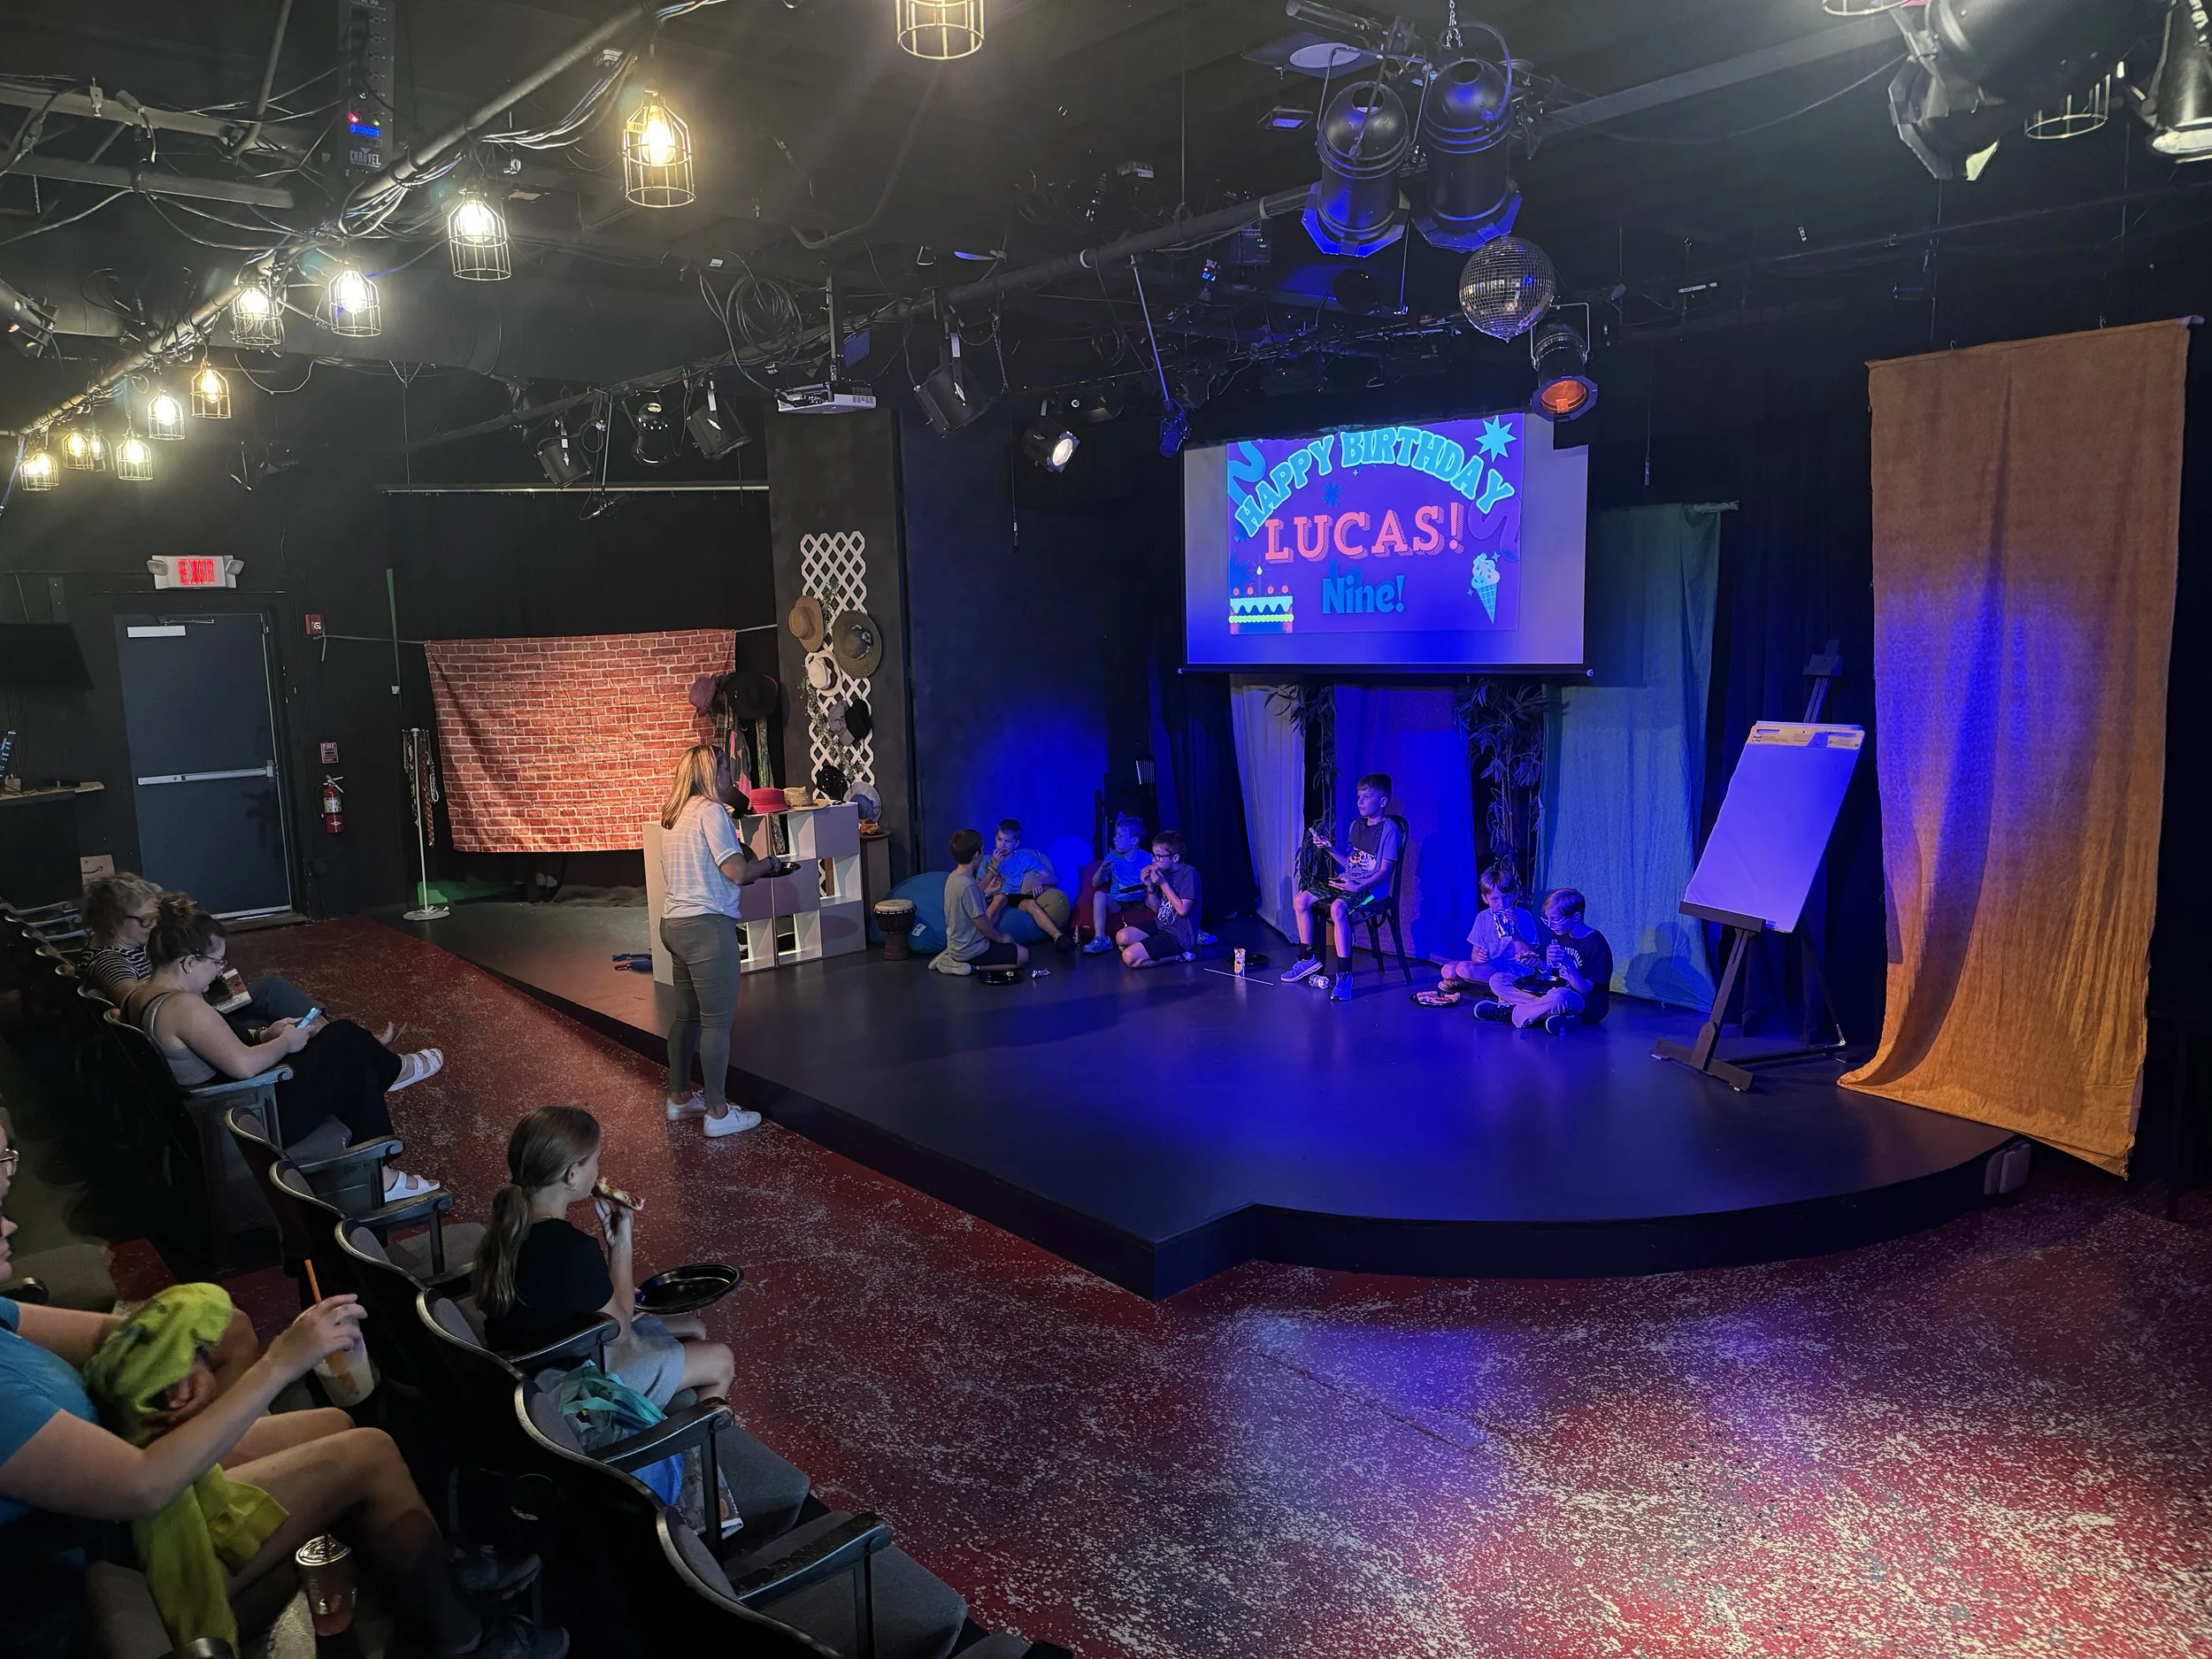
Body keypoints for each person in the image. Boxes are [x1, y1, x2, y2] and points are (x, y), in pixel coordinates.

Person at [0, 1119, 563, 1659]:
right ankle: (465, 1637)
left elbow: (113, 1333)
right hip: (131, 1553)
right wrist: (280, 1364)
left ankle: (421, 1578)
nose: (10, 1226)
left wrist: (178, 1357)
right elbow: (139, 1489)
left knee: (339, 1425)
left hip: (126, 1472)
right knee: (367, 1453)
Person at [118, 896, 438, 1201]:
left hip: (225, 1112)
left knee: (352, 1061)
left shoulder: (140, 997)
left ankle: (380, 1172)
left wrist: (264, 1034)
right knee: (344, 1039)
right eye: (217, 962)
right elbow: (243, 1066)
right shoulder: (184, 1007)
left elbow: (214, 1044)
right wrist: (285, 1042)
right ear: (189, 962)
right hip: (247, 1122)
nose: (220, 971)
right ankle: (392, 1083)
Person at [473, 1106, 733, 1409]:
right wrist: (622, 1244)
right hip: (564, 1383)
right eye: (595, 1161)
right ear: (572, 1174)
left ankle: (662, 1415)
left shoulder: (507, 1226)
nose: (598, 1170)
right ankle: (686, 1443)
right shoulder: (571, 1248)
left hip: (532, 1358)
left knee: (694, 1328)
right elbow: (618, 1331)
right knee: (721, 1360)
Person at [657, 744, 780, 1139]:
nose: (731, 780)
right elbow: (737, 872)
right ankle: (718, 1111)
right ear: (711, 773)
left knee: (686, 1017)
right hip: (706, 929)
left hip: (675, 924)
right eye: (726, 772)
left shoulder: (674, 814)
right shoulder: (711, 812)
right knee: (716, 1024)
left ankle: (680, 1098)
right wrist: (770, 864)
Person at [80, 874, 365, 1037]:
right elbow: (135, 999)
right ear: (115, 919)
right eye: (145, 920)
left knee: (268, 989)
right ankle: (337, 1037)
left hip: (186, 1005)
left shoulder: (127, 945)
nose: (153, 924)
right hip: (183, 1017)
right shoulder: (109, 960)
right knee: (272, 994)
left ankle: (334, 1033)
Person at [1280, 773, 1402, 1002]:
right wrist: (1329, 848)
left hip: (1371, 888)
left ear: (1383, 802)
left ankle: (1344, 974)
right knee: (1301, 900)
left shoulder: (1389, 830)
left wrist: (1358, 886)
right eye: (1359, 797)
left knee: (1337, 908)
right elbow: (1350, 863)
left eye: (1367, 797)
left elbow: (1384, 871)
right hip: (1349, 880)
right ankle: (1307, 959)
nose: (1361, 802)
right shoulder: (1356, 825)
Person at [1476, 887, 1615, 1033]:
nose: (1550, 924)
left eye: (1555, 919)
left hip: (1583, 1002)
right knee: (1498, 979)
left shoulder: (1596, 943)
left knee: (1559, 997)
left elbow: (1585, 990)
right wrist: (1539, 964)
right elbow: (1554, 976)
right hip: (1553, 993)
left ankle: (1513, 1013)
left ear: (1576, 917)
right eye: (1547, 919)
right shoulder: (1560, 934)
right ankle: (1550, 1013)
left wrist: (1567, 962)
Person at [1417, 867, 1541, 1007]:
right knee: (1448, 970)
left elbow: (1530, 955)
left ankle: (1494, 988)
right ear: (1485, 899)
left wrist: (1515, 932)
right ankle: (1486, 987)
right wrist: (1479, 957)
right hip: (1491, 967)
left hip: (1517, 970)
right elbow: (1475, 954)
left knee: (1463, 969)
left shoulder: (1524, 917)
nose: (1502, 904)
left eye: (1506, 898)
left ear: (1514, 895)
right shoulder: (1483, 917)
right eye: (1495, 899)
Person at [980, 819, 1072, 952]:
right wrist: (994, 867)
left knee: (1031, 903)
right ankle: (980, 936)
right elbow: (978, 888)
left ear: (1016, 843)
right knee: (1000, 898)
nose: (1002, 845)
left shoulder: (1024, 859)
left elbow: (1053, 877)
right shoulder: (987, 860)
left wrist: (1040, 881)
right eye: (999, 840)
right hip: (993, 895)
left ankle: (1058, 937)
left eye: (1007, 841)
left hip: (1014, 896)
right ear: (995, 838)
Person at [942, 829, 1027, 972]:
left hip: (959, 945)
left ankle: (955, 958)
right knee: (1024, 955)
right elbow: (982, 924)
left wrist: (991, 880)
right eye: (982, 850)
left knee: (1009, 939)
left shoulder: (955, 877)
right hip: (972, 950)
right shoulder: (967, 885)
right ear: (977, 855)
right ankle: (970, 967)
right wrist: (999, 938)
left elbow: (973, 891)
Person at [1114, 830, 1202, 968]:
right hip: (1161, 924)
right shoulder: (1165, 873)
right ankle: (1152, 946)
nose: (1154, 860)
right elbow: (1158, 910)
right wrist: (1150, 887)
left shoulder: (1188, 873)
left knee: (1129, 957)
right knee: (1121, 937)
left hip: (1180, 934)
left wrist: (1163, 884)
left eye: (1159, 856)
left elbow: (1183, 910)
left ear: (1175, 858)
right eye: (1154, 855)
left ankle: (1181, 955)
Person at [1083, 815, 1152, 955]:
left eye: (1120, 836)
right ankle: (1100, 938)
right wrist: (1102, 870)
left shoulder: (1147, 858)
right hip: (1118, 903)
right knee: (1099, 896)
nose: (1115, 838)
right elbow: (1095, 883)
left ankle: (1181, 929)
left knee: (1160, 895)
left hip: (1141, 900)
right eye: (1116, 835)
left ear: (1134, 840)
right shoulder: (1113, 856)